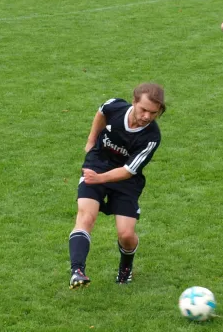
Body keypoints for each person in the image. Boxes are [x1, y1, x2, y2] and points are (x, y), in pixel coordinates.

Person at [68, 83, 165, 289]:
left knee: (126, 234)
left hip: (126, 181)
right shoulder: (115, 107)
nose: (147, 116)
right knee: (86, 217)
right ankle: (77, 271)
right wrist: (91, 140)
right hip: (96, 164)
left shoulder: (151, 137)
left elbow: (129, 171)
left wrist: (100, 179)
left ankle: (126, 268)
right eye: (144, 110)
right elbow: (101, 111)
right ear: (134, 101)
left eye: (153, 113)